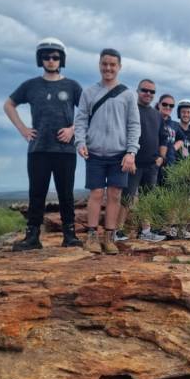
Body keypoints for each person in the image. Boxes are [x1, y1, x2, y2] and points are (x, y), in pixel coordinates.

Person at [4, 38, 83, 250]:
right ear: (41, 59)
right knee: (36, 193)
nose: (51, 60)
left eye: (55, 57)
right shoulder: (30, 85)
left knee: (66, 193)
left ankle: (70, 236)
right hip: (38, 149)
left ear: (61, 59)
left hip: (65, 150)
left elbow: (87, 111)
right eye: (46, 57)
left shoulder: (72, 86)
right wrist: (23, 129)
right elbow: (9, 104)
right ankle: (32, 237)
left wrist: (73, 130)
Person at [74, 48, 140, 254]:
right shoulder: (89, 92)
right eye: (105, 64)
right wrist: (80, 141)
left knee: (115, 194)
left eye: (112, 64)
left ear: (119, 67)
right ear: (99, 65)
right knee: (95, 193)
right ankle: (92, 236)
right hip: (94, 152)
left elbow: (133, 125)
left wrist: (131, 152)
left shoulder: (128, 95)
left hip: (119, 154)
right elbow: (81, 119)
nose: (108, 68)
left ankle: (109, 237)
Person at [115, 79, 167, 242]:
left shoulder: (157, 115)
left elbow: (163, 138)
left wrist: (161, 158)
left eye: (152, 92)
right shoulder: (130, 110)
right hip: (133, 163)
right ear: (137, 91)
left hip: (152, 164)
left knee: (147, 199)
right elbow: (122, 135)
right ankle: (117, 231)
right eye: (145, 90)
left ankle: (146, 231)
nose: (148, 94)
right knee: (127, 197)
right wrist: (129, 156)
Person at [155, 94, 185, 185]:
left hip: (170, 165)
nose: (168, 107)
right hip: (154, 164)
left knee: (167, 193)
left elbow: (182, 138)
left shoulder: (174, 125)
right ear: (159, 104)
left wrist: (173, 148)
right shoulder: (153, 119)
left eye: (171, 105)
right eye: (165, 104)